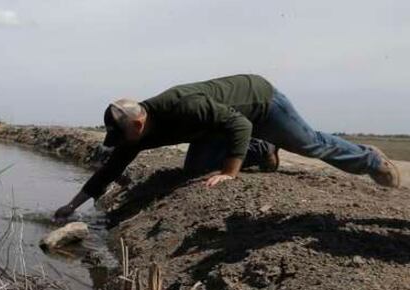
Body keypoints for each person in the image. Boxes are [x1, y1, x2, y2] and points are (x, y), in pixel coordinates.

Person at [54, 74, 400, 221]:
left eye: (123, 136)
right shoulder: (136, 133)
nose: (122, 144)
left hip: (259, 104)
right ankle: (261, 152)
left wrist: (229, 173)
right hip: (217, 127)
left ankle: (369, 159)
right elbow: (112, 167)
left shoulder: (181, 105)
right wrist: (72, 206)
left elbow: (240, 124)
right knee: (193, 172)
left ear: (138, 124)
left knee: (310, 145)